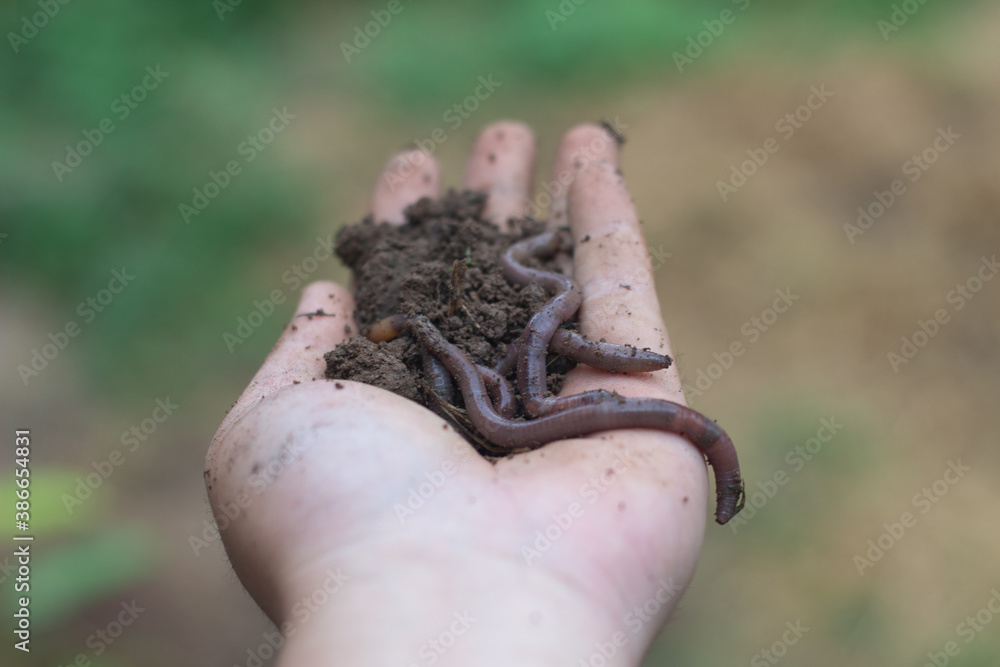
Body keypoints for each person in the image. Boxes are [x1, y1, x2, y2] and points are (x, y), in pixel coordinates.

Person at [206, 122, 711, 666]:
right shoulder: (496, 372)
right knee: (538, 353)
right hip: (501, 393)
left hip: (506, 385)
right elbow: (515, 389)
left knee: (543, 341)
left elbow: (523, 377)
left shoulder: (520, 355)